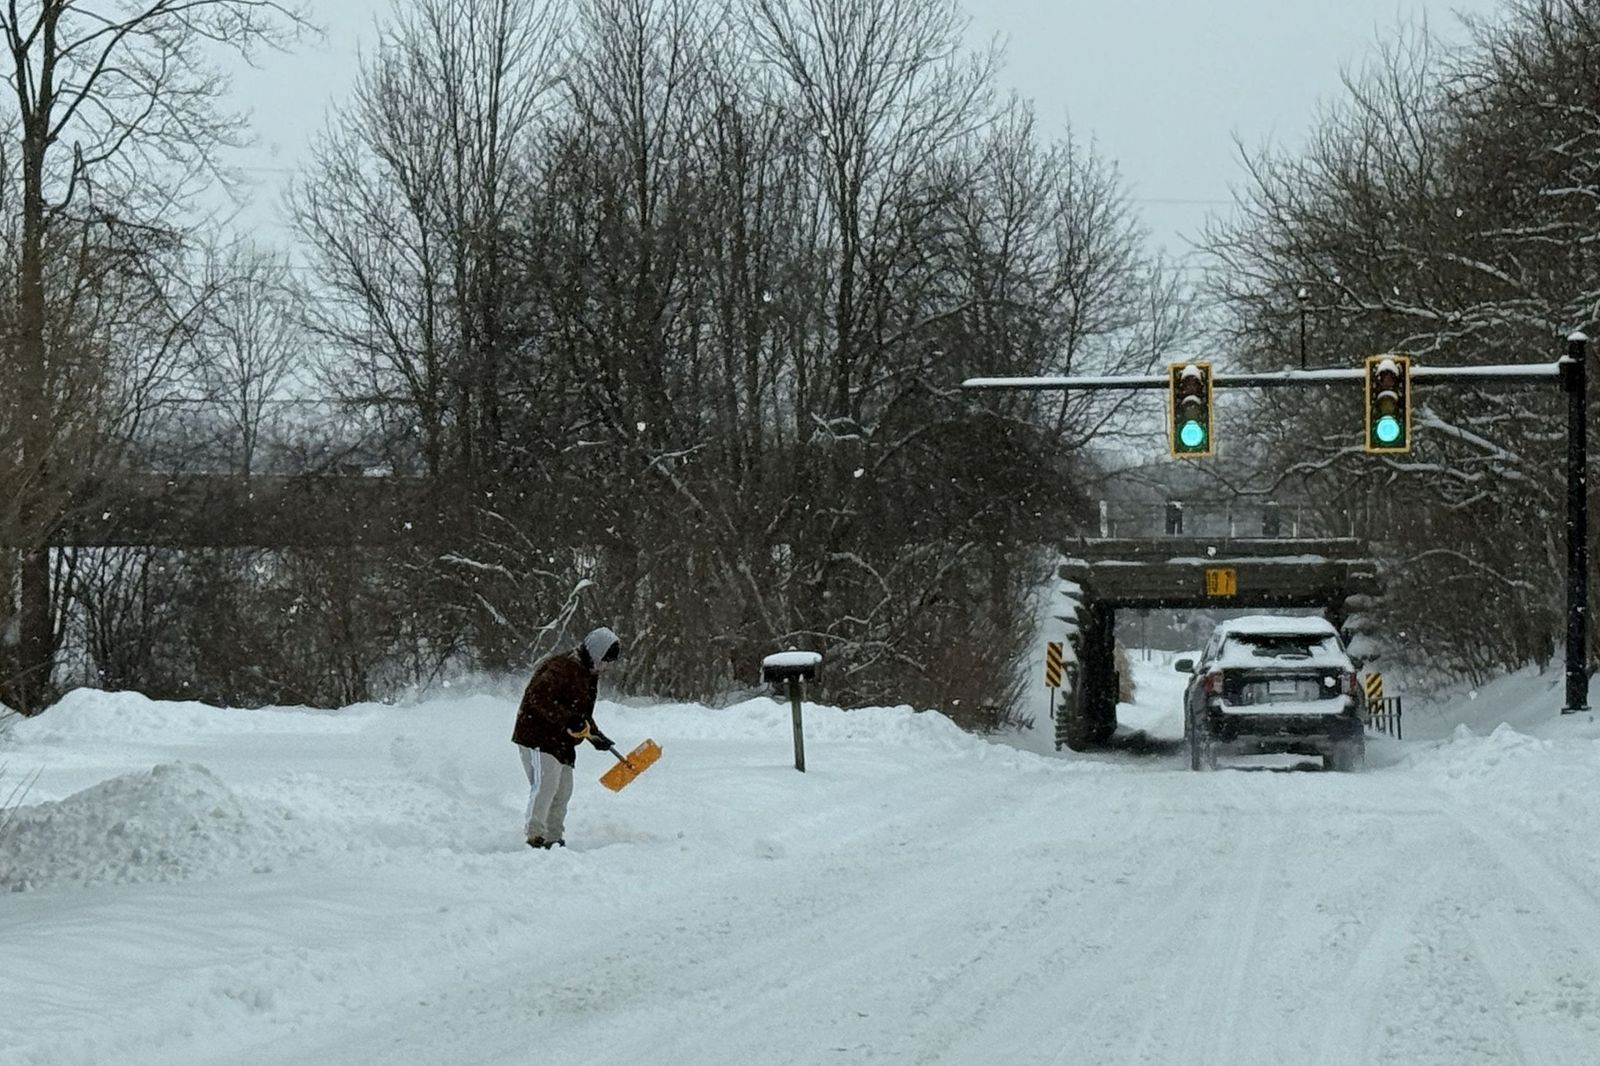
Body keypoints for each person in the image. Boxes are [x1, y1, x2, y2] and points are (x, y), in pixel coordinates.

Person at [511, 626, 621, 849]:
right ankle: (535, 836)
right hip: (537, 736)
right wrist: (570, 720)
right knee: (546, 785)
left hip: (561, 741)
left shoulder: (589, 674)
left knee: (563, 791)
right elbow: (538, 698)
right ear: (595, 652)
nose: (606, 668)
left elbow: (580, 713)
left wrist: (595, 736)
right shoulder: (560, 667)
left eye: (609, 663)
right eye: (605, 661)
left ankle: (553, 838)